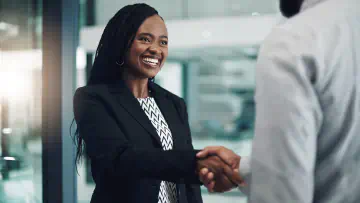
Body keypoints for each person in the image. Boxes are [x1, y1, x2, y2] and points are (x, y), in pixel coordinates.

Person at [72, 3, 243, 203]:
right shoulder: (92, 99)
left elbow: (188, 185)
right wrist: (196, 162)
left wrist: (202, 168)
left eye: (163, 42)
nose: (155, 49)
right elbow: (120, 160)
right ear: (121, 42)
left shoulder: (174, 103)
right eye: (145, 39)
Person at [197, 0, 360, 202]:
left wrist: (266, 174)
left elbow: (281, 194)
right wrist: (245, 170)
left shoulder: (295, 41)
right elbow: (342, 165)